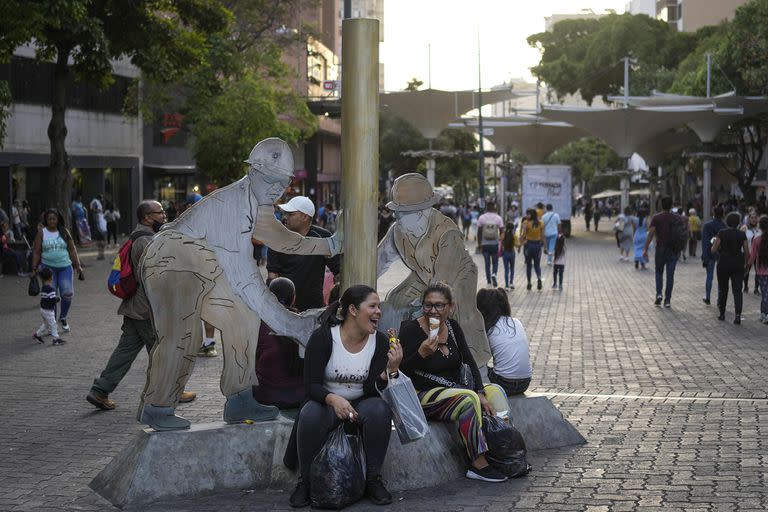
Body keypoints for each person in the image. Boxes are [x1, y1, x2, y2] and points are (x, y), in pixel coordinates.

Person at [137, 138, 341, 431]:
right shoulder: (230, 204)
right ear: (254, 172)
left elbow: (285, 239)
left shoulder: (259, 204)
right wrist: (291, 325)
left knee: (244, 316)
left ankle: (240, 397)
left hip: (202, 263)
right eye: (271, 181)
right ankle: (157, 405)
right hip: (171, 258)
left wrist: (330, 245)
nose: (276, 189)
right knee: (184, 333)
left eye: (281, 183)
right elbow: (246, 280)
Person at [287, 285, 402, 507]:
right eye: (372, 306)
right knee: (309, 413)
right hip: (326, 402)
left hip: (361, 404)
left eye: (379, 306)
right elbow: (310, 385)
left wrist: (390, 370)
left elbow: (371, 389)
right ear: (353, 310)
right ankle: (306, 482)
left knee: (380, 410)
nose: (379, 311)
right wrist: (333, 399)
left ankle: (373, 480)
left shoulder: (379, 341)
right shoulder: (323, 338)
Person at [86, 200, 197, 410]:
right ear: (147, 217)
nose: (164, 216)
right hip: (148, 309)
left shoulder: (138, 237)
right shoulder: (146, 241)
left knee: (125, 351)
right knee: (164, 350)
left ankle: (100, 390)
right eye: (160, 212)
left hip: (134, 307)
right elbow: (157, 277)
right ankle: (172, 391)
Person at [398, 283, 510, 483]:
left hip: (455, 388)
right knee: (468, 399)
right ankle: (478, 463)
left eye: (440, 306)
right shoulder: (410, 329)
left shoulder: (452, 327)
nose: (433, 311)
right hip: (423, 394)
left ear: (451, 307)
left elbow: (468, 361)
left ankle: (505, 451)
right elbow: (399, 371)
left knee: (496, 392)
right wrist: (420, 355)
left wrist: (481, 391)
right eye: (428, 305)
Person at [376, 173, 491, 364]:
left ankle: (475, 367)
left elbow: (442, 281)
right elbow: (378, 262)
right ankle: (395, 358)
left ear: (420, 213)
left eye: (401, 212)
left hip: (457, 277)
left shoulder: (448, 233)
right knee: (394, 303)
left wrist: (421, 305)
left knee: (454, 313)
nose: (395, 216)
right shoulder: (399, 230)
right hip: (424, 276)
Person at [268, 196, 341, 312]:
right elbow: (272, 276)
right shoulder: (277, 239)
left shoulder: (322, 237)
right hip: (284, 310)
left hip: (314, 309)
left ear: (305, 217)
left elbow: (338, 270)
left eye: (290, 214)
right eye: (285, 213)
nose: (285, 217)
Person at [253, 277, 305, 408]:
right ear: (293, 298)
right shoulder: (303, 323)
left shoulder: (258, 325)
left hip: (266, 396)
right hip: (300, 396)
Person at [31, 209, 82, 333]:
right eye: (49, 219)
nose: (52, 221)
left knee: (67, 293)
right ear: (46, 220)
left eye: (54, 218)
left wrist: (78, 266)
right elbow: (37, 252)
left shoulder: (64, 232)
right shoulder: (41, 233)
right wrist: (34, 268)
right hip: (48, 269)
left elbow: (72, 250)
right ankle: (52, 322)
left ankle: (63, 318)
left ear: (58, 219)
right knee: (50, 295)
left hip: (65, 267)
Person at [475, 288, 532, 395]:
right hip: (525, 382)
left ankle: (483, 393)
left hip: (504, 384)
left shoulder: (488, 329)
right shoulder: (516, 322)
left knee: (473, 369)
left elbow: (480, 360)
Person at [712, 212, 749, 324]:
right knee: (737, 290)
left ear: (727, 222)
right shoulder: (742, 234)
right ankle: (737, 316)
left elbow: (713, 250)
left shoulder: (722, 233)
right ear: (738, 223)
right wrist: (746, 263)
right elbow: (747, 251)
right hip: (738, 263)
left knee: (723, 289)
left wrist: (716, 248)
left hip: (723, 263)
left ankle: (722, 314)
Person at [643, 197, 680, 308]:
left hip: (660, 249)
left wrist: (645, 248)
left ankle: (659, 294)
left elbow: (650, 234)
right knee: (670, 276)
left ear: (661, 205)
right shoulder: (676, 218)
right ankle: (667, 300)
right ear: (671, 205)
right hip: (673, 250)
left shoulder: (656, 218)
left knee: (659, 272)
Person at [32, 267, 65, 345]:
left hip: (43, 309)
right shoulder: (50, 289)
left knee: (46, 324)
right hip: (48, 310)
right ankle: (56, 339)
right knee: (53, 324)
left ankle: (37, 335)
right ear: (51, 277)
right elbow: (52, 300)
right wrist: (59, 299)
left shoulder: (43, 288)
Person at [701, 206, 726, 305]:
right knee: (721, 278)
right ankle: (719, 300)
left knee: (709, 276)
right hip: (721, 254)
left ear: (713, 213)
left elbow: (705, 242)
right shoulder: (724, 226)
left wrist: (704, 256)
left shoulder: (707, 225)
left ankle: (708, 297)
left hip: (710, 253)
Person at [746, 216, 768, 323]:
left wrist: (747, 267)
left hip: (762, 271)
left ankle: (764, 314)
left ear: (760, 226)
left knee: (765, 294)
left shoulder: (757, 239)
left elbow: (752, 257)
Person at [476, 203, 504, 287]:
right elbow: (502, 230)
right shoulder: (498, 218)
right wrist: (501, 241)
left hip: (485, 244)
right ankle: (494, 274)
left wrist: (479, 243)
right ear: (494, 208)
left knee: (487, 263)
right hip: (494, 243)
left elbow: (479, 232)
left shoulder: (482, 217)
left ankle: (488, 280)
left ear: (486, 208)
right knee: (495, 262)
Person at [519, 208, 544, 291]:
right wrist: (545, 247)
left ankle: (529, 283)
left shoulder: (526, 223)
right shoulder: (541, 223)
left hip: (528, 246)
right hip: (537, 246)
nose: (526, 216)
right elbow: (543, 236)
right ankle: (539, 278)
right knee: (537, 264)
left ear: (531, 215)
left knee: (529, 265)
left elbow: (523, 235)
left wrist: (520, 243)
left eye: (528, 214)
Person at [741, 210, 761, 294]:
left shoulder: (760, 229)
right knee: (746, 270)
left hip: (758, 254)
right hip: (747, 253)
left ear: (757, 219)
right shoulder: (744, 228)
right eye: (752, 218)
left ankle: (756, 288)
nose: (753, 219)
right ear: (749, 219)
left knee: (758, 271)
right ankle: (745, 286)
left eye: (755, 218)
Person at [90, 195, 108, 260]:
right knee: (100, 240)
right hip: (99, 224)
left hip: (101, 225)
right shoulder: (95, 202)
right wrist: (98, 211)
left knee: (100, 240)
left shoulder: (97, 202)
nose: (102, 200)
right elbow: (93, 209)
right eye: (102, 198)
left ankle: (101, 255)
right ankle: (101, 255)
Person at [501, 220, 516, 290]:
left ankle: (506, 285)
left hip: (505, 253)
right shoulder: (513, 234)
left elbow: (500, 239)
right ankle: (511, 283)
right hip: (512, 252)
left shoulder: (504, 233)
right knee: (512, 268)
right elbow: (516, 243)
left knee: (506, 269)